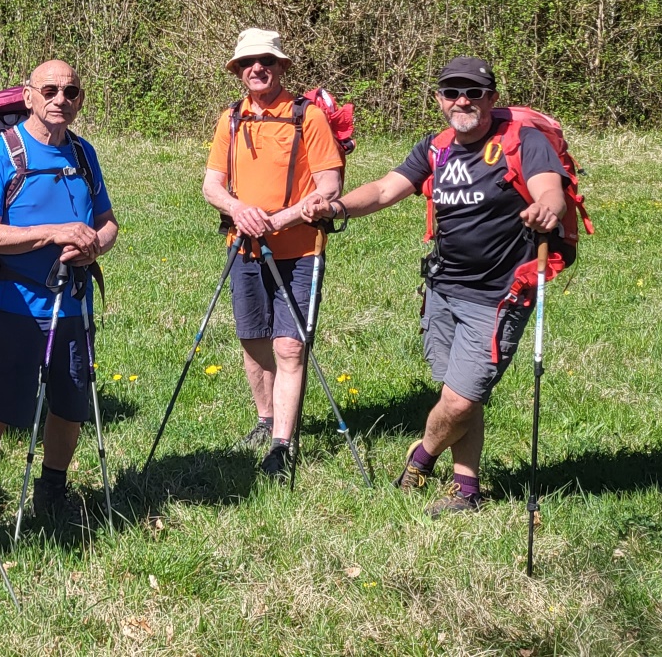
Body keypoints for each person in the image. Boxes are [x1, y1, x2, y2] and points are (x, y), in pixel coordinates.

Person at [304, 56, 571, 516]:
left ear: (491, 98)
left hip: (498, 295)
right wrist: (337, 208)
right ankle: (466, 489)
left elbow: (551, 189)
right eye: (451, 92)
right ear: (439, 100)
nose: (462, 101)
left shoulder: (522, 141)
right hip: (443, 287)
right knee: (460, 394)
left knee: (461, 399)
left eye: (473, 92)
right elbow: (385, 190)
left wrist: (547, 207)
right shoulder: (436, 147)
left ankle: (422, 457)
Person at [0, 60, 117, 534]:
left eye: (70, 92)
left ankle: (52, 492)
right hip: (17, 305)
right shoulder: (0, 154)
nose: (60, 99)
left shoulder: (83, 153)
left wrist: (94, 244)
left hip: (74, 302)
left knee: (70, 405)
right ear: (28, 96)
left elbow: (108, 222)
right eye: (49, 90)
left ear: (80, 100)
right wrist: (55, 233)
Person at [200, 28, 343, 480]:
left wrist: (280, 220)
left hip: (300, 249)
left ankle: (282, 444)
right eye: (247, 63)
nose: (256, 68)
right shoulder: (231, 119)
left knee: (289, 345)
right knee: (253, 338)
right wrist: (239, 210)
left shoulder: (308, 117)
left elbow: (330, 187)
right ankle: (265, 420)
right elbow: (211, 185)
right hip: (243, 246)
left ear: (281, 66)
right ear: (238, 71)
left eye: (265, 61)